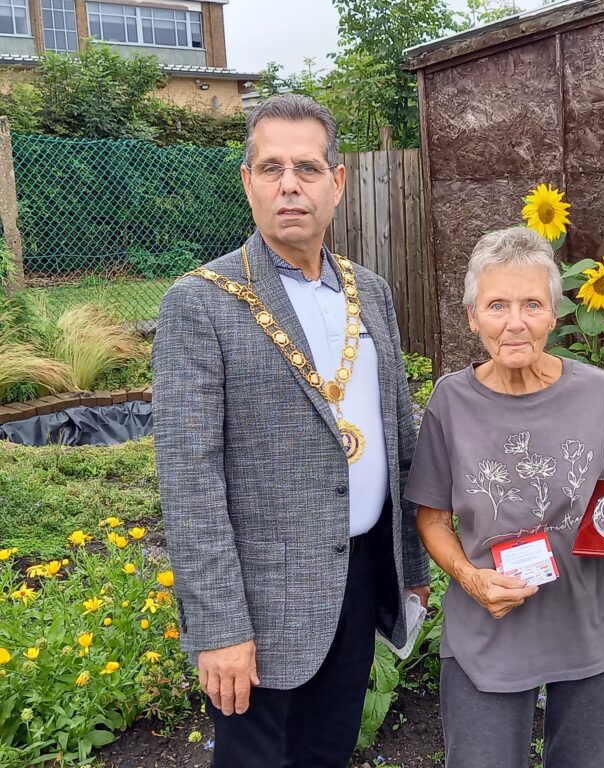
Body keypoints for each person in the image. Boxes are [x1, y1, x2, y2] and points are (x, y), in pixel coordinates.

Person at [152, 93, 430, 768]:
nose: (289, 184)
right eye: (271, 167)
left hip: (359, 574)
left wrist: (411, 568)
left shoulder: (372, 290)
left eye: (307, 167)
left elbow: (397, 434)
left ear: (337, 183)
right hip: (262, 597)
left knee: (329, 753)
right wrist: (219, 628)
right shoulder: (201, 304)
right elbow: (190, 481)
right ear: (247, 182)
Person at [406, 226, 604, 768]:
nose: (515, 322)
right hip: (489, 626)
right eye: (496, 305)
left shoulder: (600, 393)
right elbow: (432, 519)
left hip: (595, 625)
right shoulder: (450, 401)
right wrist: (471, 579)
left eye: (532, 304)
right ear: (472, 317)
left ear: (555, 313)